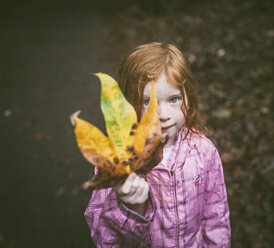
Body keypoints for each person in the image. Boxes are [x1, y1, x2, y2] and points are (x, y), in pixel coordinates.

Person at [84, 42, 231, 247]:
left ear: (188, 97)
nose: (163, 115)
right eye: (148, 102)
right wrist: (131, 208)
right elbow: (103, 235)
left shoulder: (204, 152)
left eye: (174, 99)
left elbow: (216, 216)